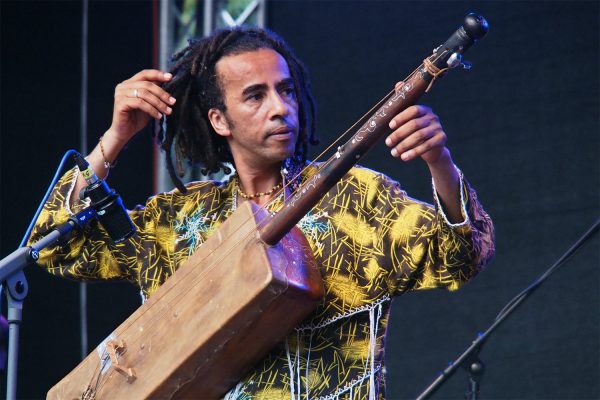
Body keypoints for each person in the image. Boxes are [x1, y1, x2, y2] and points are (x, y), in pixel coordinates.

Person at [31, 26, 494, 399]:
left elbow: (464, 254)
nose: (280, 109)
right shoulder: (180, 221)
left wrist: (440, 161)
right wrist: (115, 138)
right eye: (256, 96)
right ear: (219, 119)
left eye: (286, 90)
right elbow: (54, 247)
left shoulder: (355, 198)